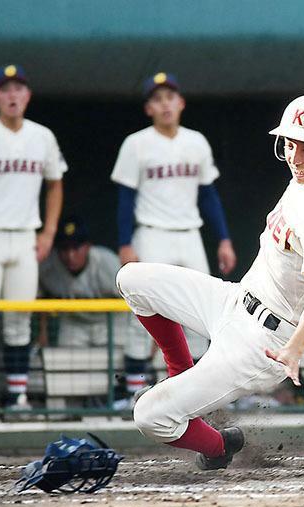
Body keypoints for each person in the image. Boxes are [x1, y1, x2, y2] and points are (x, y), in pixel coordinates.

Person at [116, 23, 304, 469]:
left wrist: (294, 351)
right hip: (236, 301)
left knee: (150, 415)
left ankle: (220, 448)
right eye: (290, 144)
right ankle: (181, 371)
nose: (295, 156)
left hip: (263, 342)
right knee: (132, 279)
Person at [0, 64, 67, 421]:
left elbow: (56, 184)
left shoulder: (43, 136)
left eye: (19, 88)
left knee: (21, 319)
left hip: (24, 236)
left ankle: (17, 398)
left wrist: (48, 233)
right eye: (5, 89)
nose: (12, 95)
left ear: (28, 95)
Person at [110, 72, 237, 357]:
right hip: (152, 234)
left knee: (200, 312)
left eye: (170, 97)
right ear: (148, 109)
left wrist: (224, 240)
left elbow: (208, 195)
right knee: (142, 312)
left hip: (189, 235)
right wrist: (125, 243)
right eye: (157, 99)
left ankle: (194, 386)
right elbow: (125, 199)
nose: (165, 104)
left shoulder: (197, 142)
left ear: (181, 102)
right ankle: (132, 388)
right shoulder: (136, 143)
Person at [38, 215, 152, 405]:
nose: (71, 255)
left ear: (88, 246)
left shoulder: (106, 263)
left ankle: (123, 399)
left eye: (77, 247)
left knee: (127, 355)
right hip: (75, 322)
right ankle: (75, 407)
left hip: (110, 321)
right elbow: (40, 298)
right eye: (65, 249)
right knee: (63, 364)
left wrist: (151, 336)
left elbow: (138, 298)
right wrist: (42, 332)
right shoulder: (49, 267)